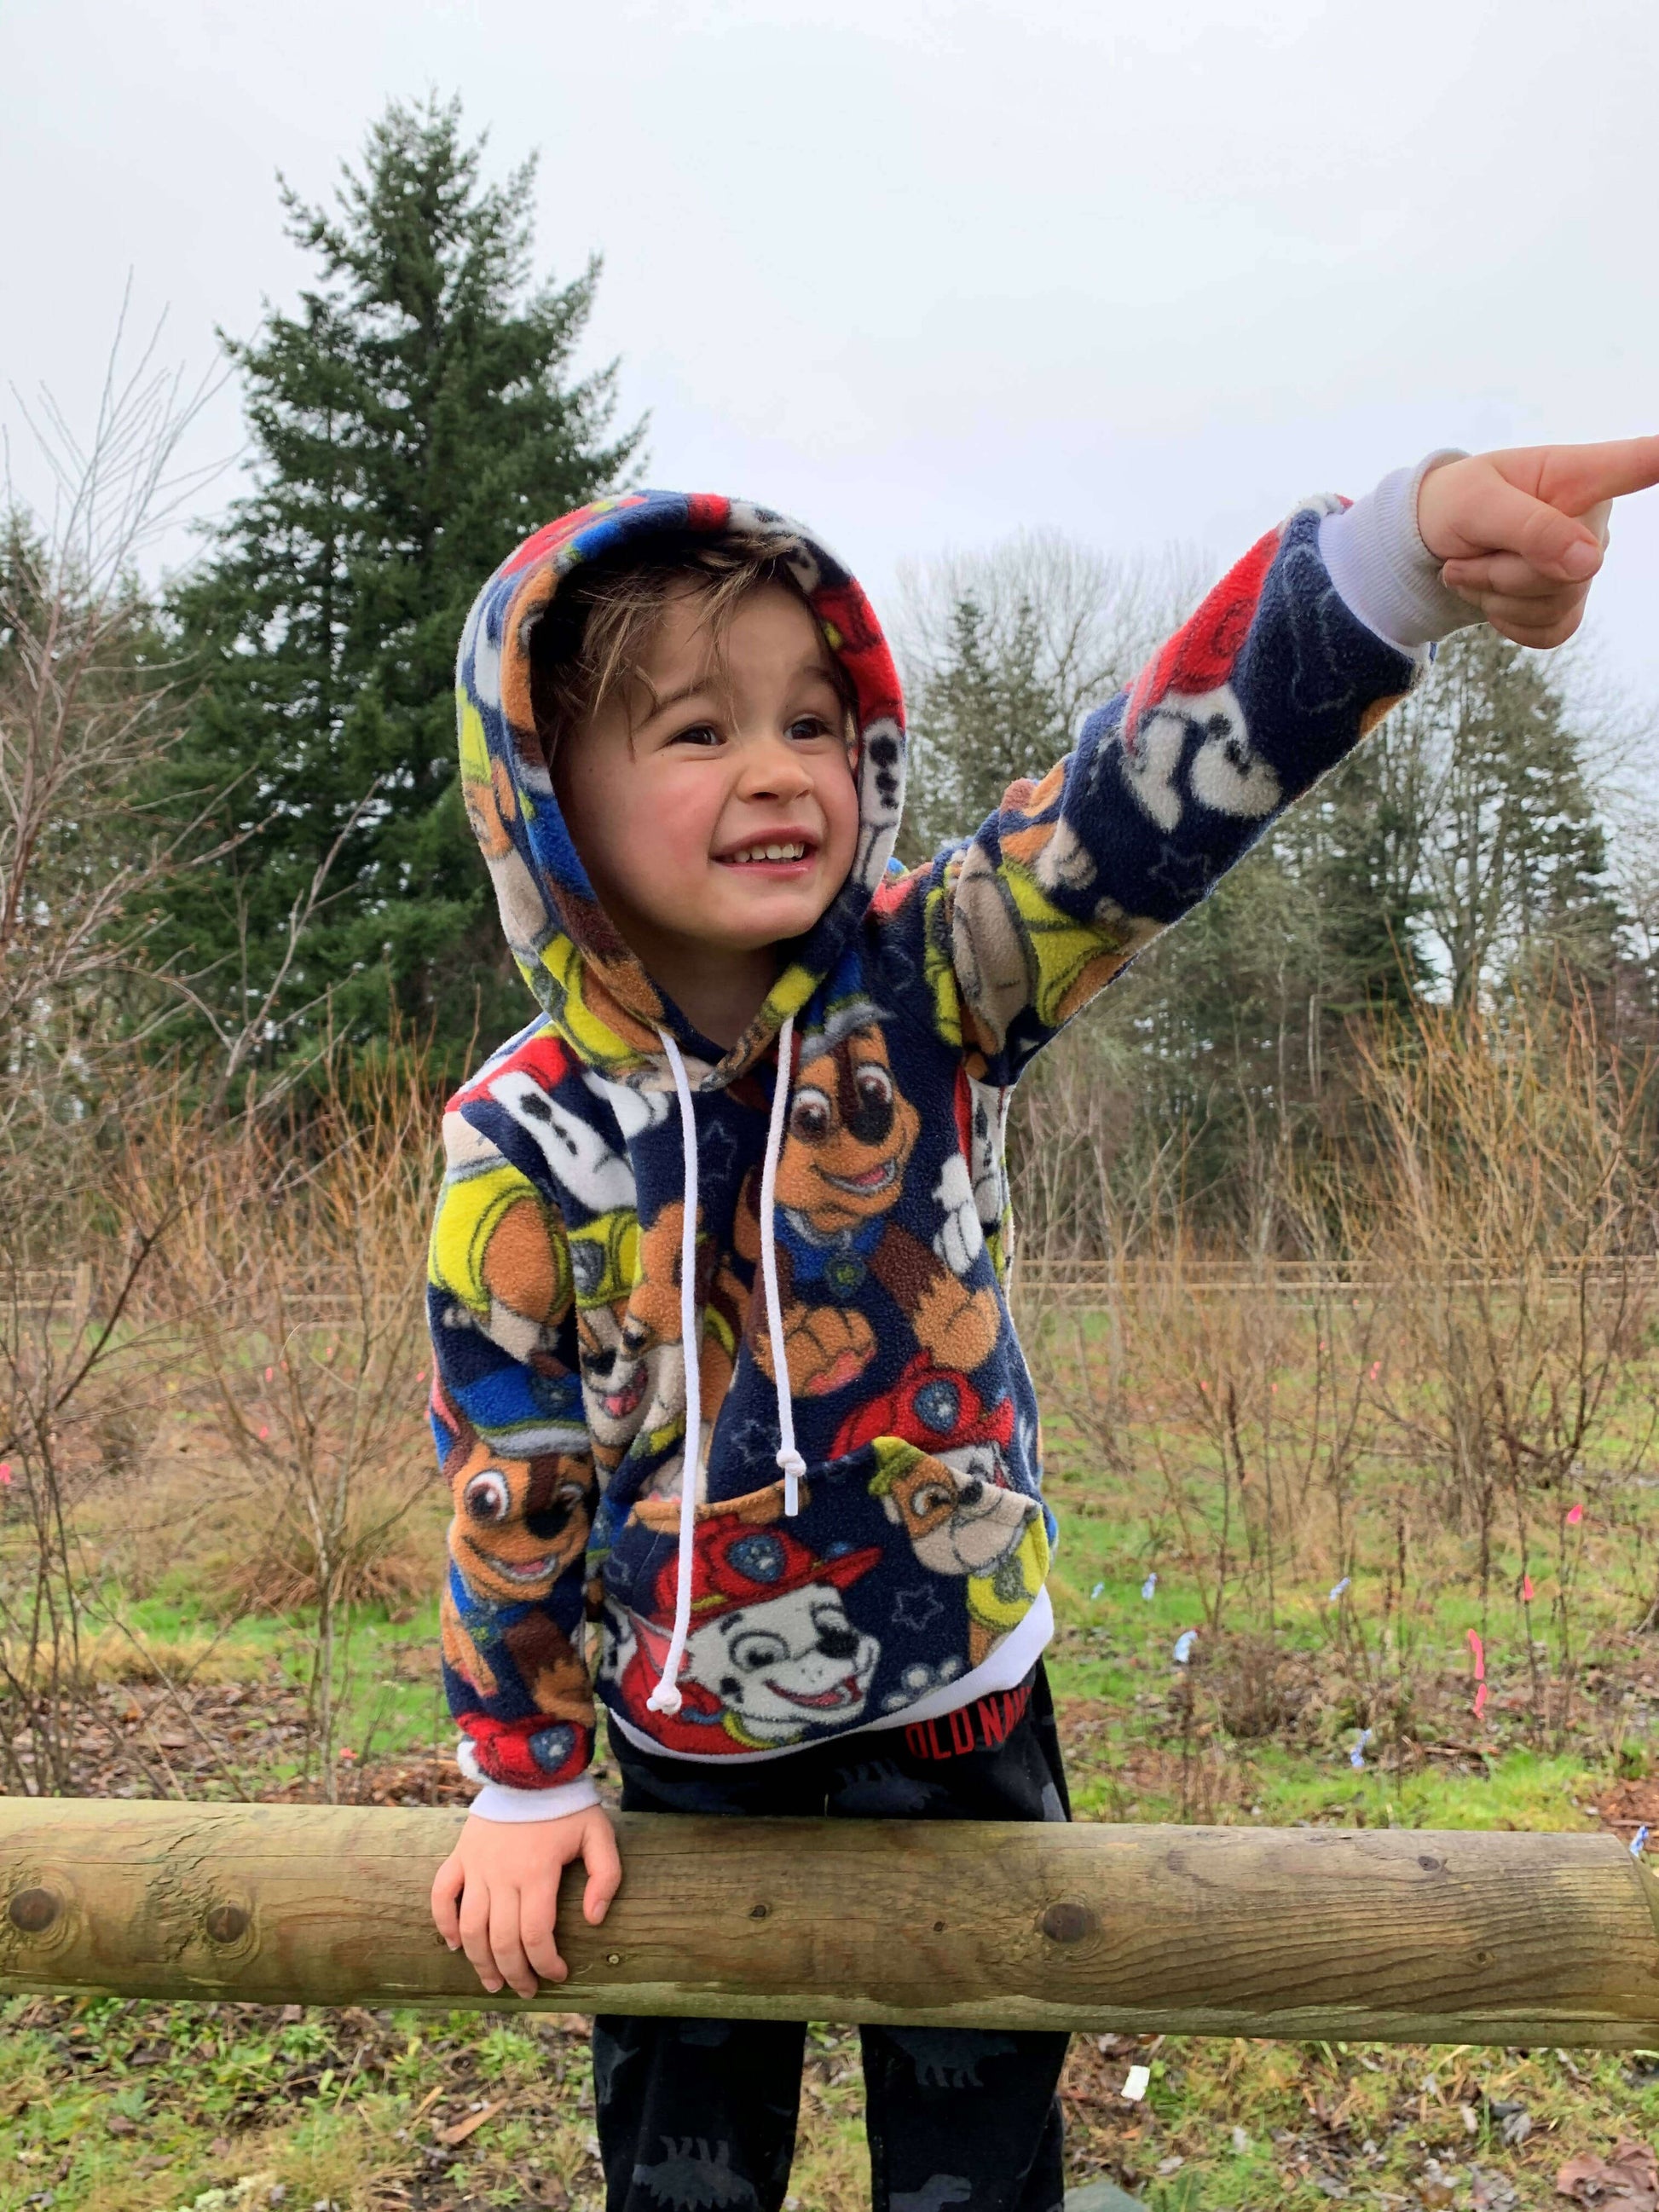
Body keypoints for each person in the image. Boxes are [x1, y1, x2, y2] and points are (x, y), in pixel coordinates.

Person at [427, 441, 1659, 2211]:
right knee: (683, 2176)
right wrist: (527, 1772)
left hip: (956, 1708)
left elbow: (1143, 802)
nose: (775, 769)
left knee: (978, 2160)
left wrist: (1390, 562)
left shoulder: (932, 977)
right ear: (549, 786)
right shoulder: (514, 1140)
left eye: (806, 720)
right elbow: (508, 1475)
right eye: (695, 731)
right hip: (687, 1743)